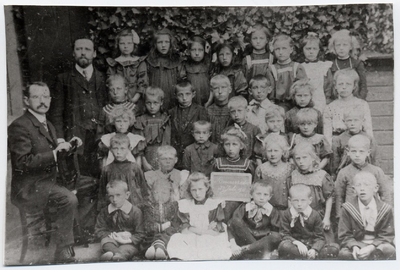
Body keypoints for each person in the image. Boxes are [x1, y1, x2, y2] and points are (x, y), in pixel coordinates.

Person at [8, 82, 81, 262]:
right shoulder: (20, 126)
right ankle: (63, 251)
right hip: (30, 187)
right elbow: (21, 163)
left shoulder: (47, 123)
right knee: (69, 198)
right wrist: (54, 153)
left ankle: (73, 236)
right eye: (36, 97)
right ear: (26, 100)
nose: (42, 101)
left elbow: (54, 154)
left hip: (48, 181)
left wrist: (69, 146)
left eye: (46, 96)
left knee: (89, 184)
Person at [49, 37, 107, 178]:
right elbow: (56, 112)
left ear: (94, 53)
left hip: (99, 136)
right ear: (73, 53)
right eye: (79, 49)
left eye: (87, 49)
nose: (83, 53)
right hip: (76, 138)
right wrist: (61, 139)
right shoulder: (63, 79)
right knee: (80, 178)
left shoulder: (102, 78)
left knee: (101, 175)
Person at [167, 172, 232, 260]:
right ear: (189, 190)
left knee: (210, 243)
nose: (197, 193)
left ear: (206, 187)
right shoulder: (185, 205)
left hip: (210, 236)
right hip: (191, 235)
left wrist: (194, 229)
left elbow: (216, 229)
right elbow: (184, 228)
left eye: (200, 189)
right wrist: (202, 230)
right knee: (176, 239)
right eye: (194, 190)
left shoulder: (214, 204)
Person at [142, 146, 188, 259]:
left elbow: (183, 196)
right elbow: (148, 196)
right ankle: (158, 246)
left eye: (170, 158)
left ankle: (157, 246)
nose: (167, 161)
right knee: (153, 228)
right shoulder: (150, 175)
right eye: (164, 159)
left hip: (173, 211)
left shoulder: (181, 175)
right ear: (157, 160)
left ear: (176, 160)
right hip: (155, 209)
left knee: (172, 229)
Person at [338, 172, 395, 260]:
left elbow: (387, 235)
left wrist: (372, 247)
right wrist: (354, 246)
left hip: (378, 245)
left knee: (389, 249)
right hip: (357, 244)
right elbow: (345, 235)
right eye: (358, 185)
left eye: (367, 185)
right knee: (344, 254)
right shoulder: (347, 209)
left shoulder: (385, 209)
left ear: (375, 188)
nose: (362, 189)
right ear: (354, 190)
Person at [291, 142, 337, 250]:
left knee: (326, 245)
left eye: (304, 158)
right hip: (298, 214)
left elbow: (329, 197)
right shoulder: (294, 175)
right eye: (297, 159)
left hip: (318, 215)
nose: (301, 162)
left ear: (312, 158)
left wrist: (326, 218)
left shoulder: (321, 175)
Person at [335, 135, 391, 219]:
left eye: (361, 151)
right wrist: (340, 216)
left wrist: (387, 214)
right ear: (348, 152)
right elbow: (339, 196)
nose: (357, 155)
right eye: (353, 151)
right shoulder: (344, 172)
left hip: (372, 213)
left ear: (368, 152)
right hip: (351, 214)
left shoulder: (376, 171)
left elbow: (385, 194)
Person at [278, 185, 337, 260]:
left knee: (334, 248)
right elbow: (284, 235)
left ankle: (309, 255)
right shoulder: (286, 214)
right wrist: (296, 242)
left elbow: (319, 237)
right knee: (284, 246)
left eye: (303, 200)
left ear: (310, 200)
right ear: (290, 200)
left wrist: (314, 249)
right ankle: (307, 257)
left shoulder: (315, 215)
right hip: (295, 246)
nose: (299, 204)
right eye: (296, 200)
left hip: (310, 245)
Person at [228, 182, 281, 260]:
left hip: (262, 241)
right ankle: (256, 252)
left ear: (270, 197)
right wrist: (232, 243)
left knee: (276, 236)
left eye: (265, 195)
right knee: (235, 221)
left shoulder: (273, 211)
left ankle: (246, 250)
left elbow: (275, 229)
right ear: (251, 194)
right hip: (246, 237)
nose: (261, 198)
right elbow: (232, 224)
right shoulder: (244, 207)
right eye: (258, 194)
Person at [95, 180, 145, 261]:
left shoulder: (136, 212)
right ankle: (113, 254)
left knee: (127, 249)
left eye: (118, 195)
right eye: (111, 196)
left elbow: (140, 233)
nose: (114, 199)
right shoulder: (105, 211)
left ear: (127, 195)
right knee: (106, 242)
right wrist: (114, 235)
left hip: (128, 241)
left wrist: (128, 238)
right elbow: (99, 230)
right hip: (112, 239)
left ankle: (117, 255)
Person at [213, 126, 255, 220]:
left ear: (241, 146)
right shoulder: (218, 163)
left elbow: (252, 185)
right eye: (227, 144)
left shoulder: (247, 164)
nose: (230, 148)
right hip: (222, 202)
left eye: (234, 144)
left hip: (241, 204)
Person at [98, 134, 149, 210]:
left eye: (122, 148)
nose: (118, 152)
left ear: (129, 149)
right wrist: (101, 209)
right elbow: (102, 192)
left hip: (134, 207)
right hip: (114, 206)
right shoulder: (107, 169)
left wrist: (145, 205)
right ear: (111, 149)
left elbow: (143, 187)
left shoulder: (134, 167)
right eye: (115, 148)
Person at [323, 69, 373, 145]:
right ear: (335, 86)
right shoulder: (330, 107)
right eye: (340, 84)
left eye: (348, 84)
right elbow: (327, 134)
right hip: (338, 144)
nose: (344, 87)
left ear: (354, 86)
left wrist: (369, 146)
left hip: (358, 142)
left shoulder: (362, 104)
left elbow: (368, 129)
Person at [106, 28, 148, 113]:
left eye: (129, 43)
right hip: (117, 101)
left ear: (134, 45)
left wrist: (135, 98)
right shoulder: (114, 63)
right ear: (117, 45)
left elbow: (143, 83)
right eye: (122, 43)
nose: (126, 46)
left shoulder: (139, 62)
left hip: (136, 100)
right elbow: (110, 82)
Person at [169, 80, 208, 169]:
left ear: (193, 94)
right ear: (175, 96)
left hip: (195, 153)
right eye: (180, 95)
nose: (184, 98)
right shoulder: (172, 112)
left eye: (187, 94)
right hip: (177, 153)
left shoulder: (200, 111)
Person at [144, 28, 185, 110]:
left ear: (171, 43)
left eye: (166, 42)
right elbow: (145, 83)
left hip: (173, 101)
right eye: (160, 42)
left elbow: (182, 81)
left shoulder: (177, 61)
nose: (163, 45)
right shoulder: (149, 61)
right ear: (155, 44)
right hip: (154, 103)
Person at [331, 108, 378, 178]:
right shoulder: (338, 139)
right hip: (346, 174)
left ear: (363, 121)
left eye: (356, 120)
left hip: (365, 173)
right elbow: (335, 160)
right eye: (349, 120)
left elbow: (374, 159)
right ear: (344, 121)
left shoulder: (369, 139)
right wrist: (335, 175)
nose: (352, 123)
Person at [133, 87, 171, 171]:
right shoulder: (140, 120)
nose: (152, 106)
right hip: (145, 156)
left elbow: (167, 141)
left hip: (162, 155)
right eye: (148, 103)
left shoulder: (165, 119)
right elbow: (139, 144)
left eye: (155, 103)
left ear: (161, 102)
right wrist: (144, 161)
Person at [267, 34, 307, 112]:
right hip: (279, 104)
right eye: (277, 49)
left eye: (284, 48)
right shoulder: (272, 69)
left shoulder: (297, 67)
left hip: (297, 103)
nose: (280, 52)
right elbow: (270, 91)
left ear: (291, 49)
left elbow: (303, 87)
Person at [254, 134, 293, 211]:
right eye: (269, 151)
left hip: (286, 210)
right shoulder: (261, 169)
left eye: (276, 150)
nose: (272, 154)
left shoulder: (290, 168)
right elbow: (256, 190)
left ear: (283, 152)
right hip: (266, 209)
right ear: (265, 152)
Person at [328, 29, 367, 100]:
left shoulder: (357, 63)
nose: (341, 48)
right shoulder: (331, 65)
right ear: (334, 47)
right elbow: (330, 86)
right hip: (337, 101)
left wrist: (360, 100)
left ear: (351, 47)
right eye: (338, 45)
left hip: (355, 100)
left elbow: (363, 85)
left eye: (345, 45)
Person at [300, 32, 333, 111]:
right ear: (303, 49)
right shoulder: (300, 67)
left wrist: (327, 99)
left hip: (321, 100)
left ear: (319, 50)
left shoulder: (324, 66)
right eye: (308, 48)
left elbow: (329, 85)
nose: (311, 52)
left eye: (314, 49)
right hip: (304, 101)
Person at [182, 36, 212, 106]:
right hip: (189, 104)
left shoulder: (208, 65)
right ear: (189, 51)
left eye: (200, 50)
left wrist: (209, 102)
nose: (197, 53)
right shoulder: (185, 66)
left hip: (207, 103)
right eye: (193, 50)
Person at [207, 74, 232, 143]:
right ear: (211, 91)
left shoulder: (233, 110)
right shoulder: (208, 111)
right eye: (216, 88)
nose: (220, 91)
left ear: (230, 89)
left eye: (223, 87)